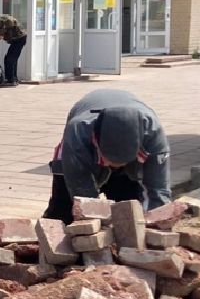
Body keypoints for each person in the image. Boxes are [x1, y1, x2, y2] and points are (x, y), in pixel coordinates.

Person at [44, 90, 171, 223]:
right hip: (82, 149)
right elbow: (82, 195)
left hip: (133, 158)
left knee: (130, 207)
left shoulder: (153, 135)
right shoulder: (77, 133)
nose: (114, 166)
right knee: (64, 210)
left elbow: (158, 192)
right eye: (109, 160)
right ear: (96, 140)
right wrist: (92, 228)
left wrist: (155, 226)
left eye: (121, 162)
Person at [0, 11, 28, 86]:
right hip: (19, 38)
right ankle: (13, 79)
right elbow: (4, 31)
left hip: (18, 39)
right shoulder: (1, 19)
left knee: (10, 59)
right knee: (11, 59)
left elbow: (0, 36)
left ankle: (10, 81)